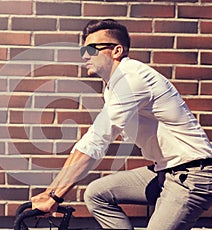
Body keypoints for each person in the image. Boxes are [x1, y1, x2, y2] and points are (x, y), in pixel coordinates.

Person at [31, 19, 212, 230]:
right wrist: (50, 192)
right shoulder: (113, 86)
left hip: (192, 176)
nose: (85, 55)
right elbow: (85, 144)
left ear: (117, 50)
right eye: (83, 50)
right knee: (97, 193)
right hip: (165, 171)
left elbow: (95, 143)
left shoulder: (132, 79)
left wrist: (55, 196)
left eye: (92, 49)